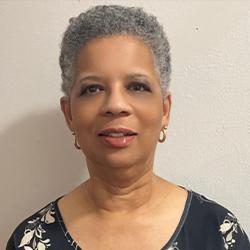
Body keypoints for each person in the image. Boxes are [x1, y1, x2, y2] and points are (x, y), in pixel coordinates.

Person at [6, 4, 250, 250]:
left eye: (136, 86)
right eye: (92, 88)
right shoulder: (29, 241)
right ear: (69, 113)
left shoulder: (218, 233)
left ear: (164, 110)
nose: (115, 105)